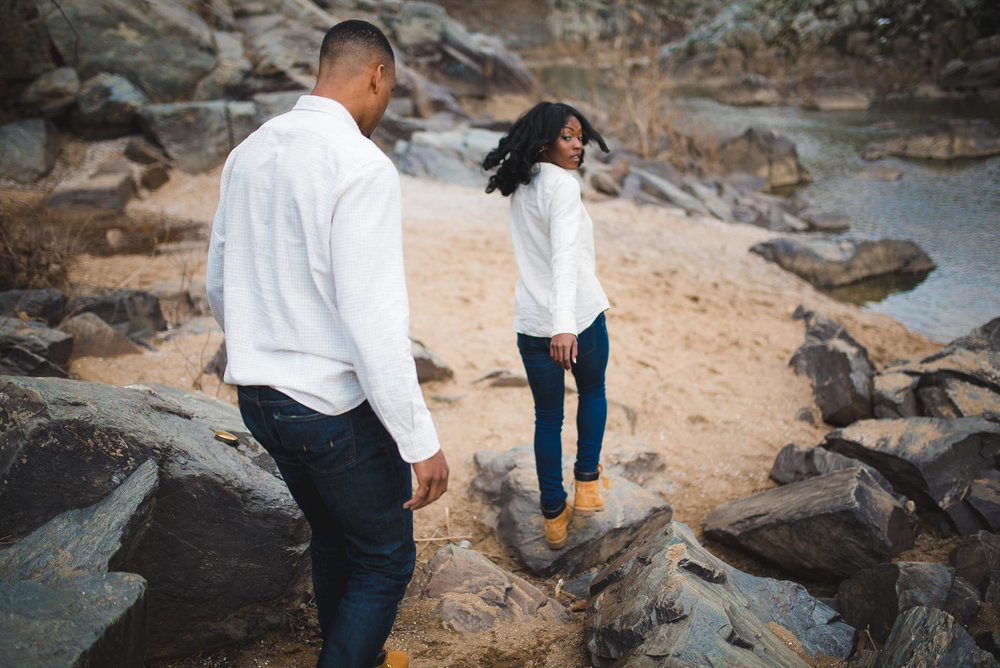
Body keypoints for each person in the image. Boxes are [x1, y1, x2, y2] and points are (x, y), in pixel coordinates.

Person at [206, 19, 448, 668]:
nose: (384, 105)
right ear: (378, 76)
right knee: (386, 559)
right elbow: (373, 323)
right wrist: (419, 440)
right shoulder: (361, 165)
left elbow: (218, 282)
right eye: (387, 91)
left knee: (337, 534)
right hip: (330, 410)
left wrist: (263, 346)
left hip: (258, 397)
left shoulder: (251, 149)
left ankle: (354, 652)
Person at [483, 102, 611, 550]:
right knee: (592, 392)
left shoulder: (524, 182)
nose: (578, 145)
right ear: (544, 142)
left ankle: (553, 515)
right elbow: (563, 259)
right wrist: (565, 327)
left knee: (547, 419)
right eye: (568, 137)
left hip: (532, 321)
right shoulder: (563, 186)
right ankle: (588, 485)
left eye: (579, 136)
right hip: (573, 319)